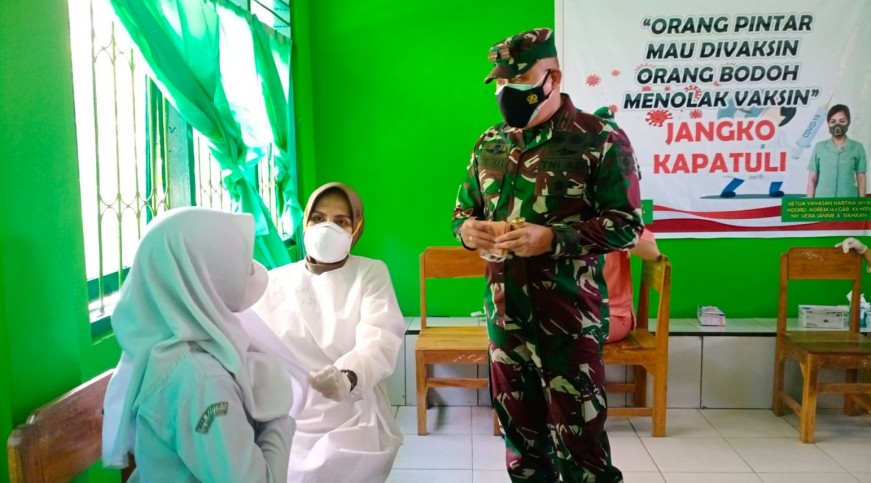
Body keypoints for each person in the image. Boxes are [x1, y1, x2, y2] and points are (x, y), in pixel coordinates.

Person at [453, 28, 643, 483]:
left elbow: (627, 225)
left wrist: (554, 240)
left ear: (552, 77)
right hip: (506, 321)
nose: (507, 92)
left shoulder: (600, 139)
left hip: (568, 322)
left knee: (583, 452)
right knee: (522, 450)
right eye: (501, 83)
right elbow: (463, 211)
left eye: (519, 81)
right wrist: (468, 232)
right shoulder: (490, 143)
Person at [102, 207, 306, 482]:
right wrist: (277, 416)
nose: (251, 268)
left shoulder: (165, 345)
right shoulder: (202, 382)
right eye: (239, 260)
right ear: (202, 274)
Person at [253, 182, 405, 483]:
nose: (327, 228)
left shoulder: (370, 273)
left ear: (356, 229)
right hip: (290, 412)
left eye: (341, 221)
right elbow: (251, 345)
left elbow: (380, 337)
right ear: (305, 222)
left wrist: (346, 377)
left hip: (352, 408)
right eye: (318, 218)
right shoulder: (275, 281)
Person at [604, 228, 660, 343]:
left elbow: (652, 252)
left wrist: (605, 230)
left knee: (574, 333)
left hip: (612, 314)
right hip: (571, 312)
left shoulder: (615, 222)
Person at [807, 104, 867, 198]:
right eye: (833, 121)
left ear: (849, 122)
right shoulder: (819, 147)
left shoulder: (857, 147)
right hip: (822, 201)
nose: (837, 125)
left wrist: (861, 203)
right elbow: (812, 178)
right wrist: (809, 204)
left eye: (842, 121)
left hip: (848, 200)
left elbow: (861, 178)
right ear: (828, 124)